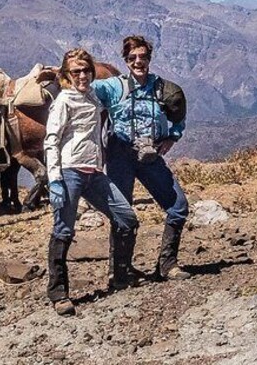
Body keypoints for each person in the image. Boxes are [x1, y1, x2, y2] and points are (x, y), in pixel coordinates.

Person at [44, 48, 140, 316]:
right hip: (70, 171)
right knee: (63, 229)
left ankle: (119, 274)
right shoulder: (63, 102)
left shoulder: (95, 96)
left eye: (86, 70)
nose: (83, 75)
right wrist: (54, 180)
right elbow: (51, 140)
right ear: (67, 75)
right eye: (76, 72)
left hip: (94, 172)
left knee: (126, 218)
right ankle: (58, 292)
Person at [92, 35, 191, 280]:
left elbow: (178, 115)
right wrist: (63, 73)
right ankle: (120, 273)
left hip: (150, 156)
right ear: (125, 60)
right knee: (122, 213)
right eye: (132, 57)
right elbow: (83, 88)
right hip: (119, 155)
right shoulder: (113, 87)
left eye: (143, 57)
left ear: (149, 58)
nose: (138, 62)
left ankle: (167, 266)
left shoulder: (163, 89)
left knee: (178, 206)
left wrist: (172, 137)